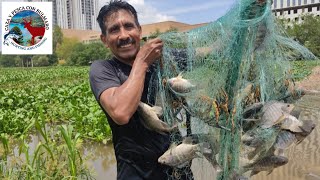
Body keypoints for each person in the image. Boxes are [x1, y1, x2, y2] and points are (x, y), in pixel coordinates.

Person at [89, 0, 193, 179]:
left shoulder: (166, 58)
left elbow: (215, 53)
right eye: (114, 30)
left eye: (129, 26)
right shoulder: (103, 69)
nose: (123, 35)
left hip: (179, 168)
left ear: (139, 30)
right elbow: (120, 112)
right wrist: (143, 61)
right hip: (136, 174)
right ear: (104, 40)